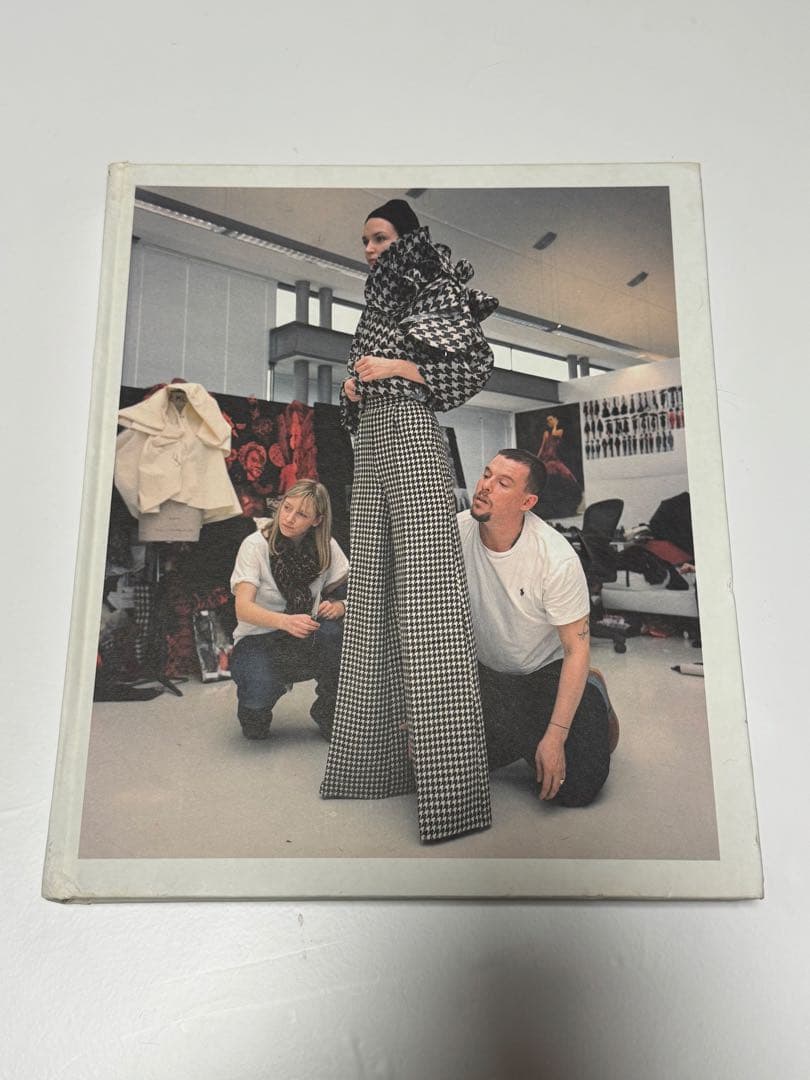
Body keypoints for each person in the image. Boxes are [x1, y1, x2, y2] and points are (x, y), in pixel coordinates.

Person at [320, 198, 499, 842]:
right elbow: (369, 376)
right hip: (370, 442)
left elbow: (474, 364)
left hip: (415, 442)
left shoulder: (432, 284)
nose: (370, 250)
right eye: (365, 241)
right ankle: (376, 767)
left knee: (428, 602)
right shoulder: (376, 304)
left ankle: (453, 797)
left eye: (379, 238)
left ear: (406, 238)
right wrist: (353, 389)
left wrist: (394, 367)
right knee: (371, 597)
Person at [458, 449, 619, 807]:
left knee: (576, 788)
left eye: (503, 483)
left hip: (544, 673)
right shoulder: (456, 531)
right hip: (485, 676)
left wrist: (555, 737)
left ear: (527, 502)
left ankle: (593, 690)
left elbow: (576, 649)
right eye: (487, 474)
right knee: (434, 764)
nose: (485, 486)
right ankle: (517, 734)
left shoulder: (555, 558)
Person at [229, 479, 348, 741]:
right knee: (255, 723)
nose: (289, 518)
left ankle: (328, 712)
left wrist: (340, 606)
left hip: (304, 635)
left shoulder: (326, 546)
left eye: (302, 514)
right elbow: (243, 609)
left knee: (335, 635)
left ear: (317, 520)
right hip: (258, 638)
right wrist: (285, 621)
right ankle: (255, 708)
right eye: (287, 507)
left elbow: (360, 592)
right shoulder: (255, 545)